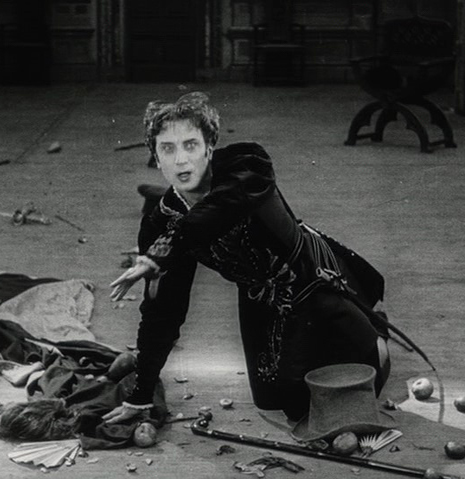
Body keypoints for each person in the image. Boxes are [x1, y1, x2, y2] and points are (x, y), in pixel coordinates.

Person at [103, 92, 395, 425]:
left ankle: (373, 331)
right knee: (276, 400)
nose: (181, 160)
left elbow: (217, 210)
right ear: (156, 158)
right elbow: (163, 313)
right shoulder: (161, 223)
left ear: (209, 148)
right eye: (167, 149)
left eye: (191, 145)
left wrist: (159, 254)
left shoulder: (246, 168)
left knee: (352, 385)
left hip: (312, 281)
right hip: (259, 299)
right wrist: (141, 395)